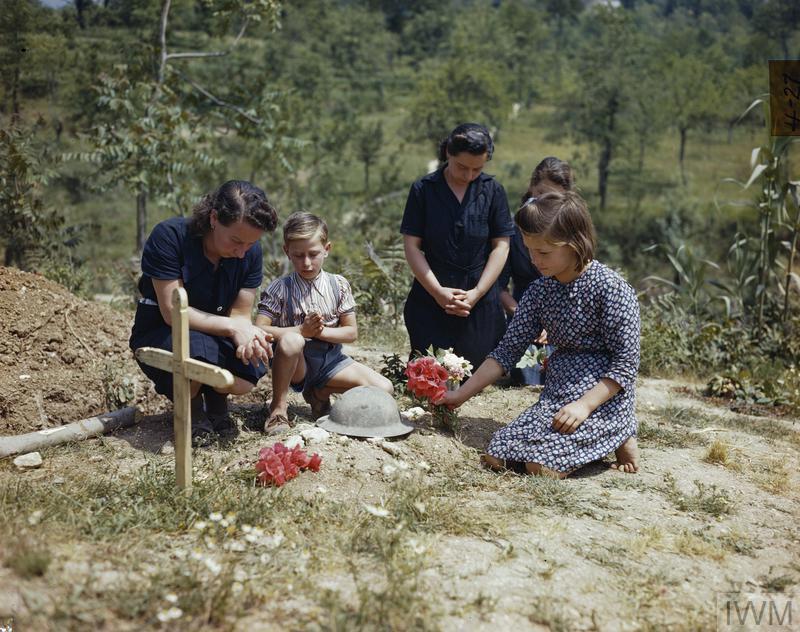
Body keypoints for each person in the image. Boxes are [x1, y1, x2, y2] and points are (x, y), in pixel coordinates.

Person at [437, 191, 640, 477]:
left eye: (543, 252)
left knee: (540, 467)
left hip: (603, 396)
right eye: (529, 249)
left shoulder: (611, 289)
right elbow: (506, 352)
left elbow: (625, 365)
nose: (534, 260)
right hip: (557, 393)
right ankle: (597, 438)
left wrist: (584, 406)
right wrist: (460, 395)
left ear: (575, 244)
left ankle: (621, 430)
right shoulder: (540, 291)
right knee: (498, 456)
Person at [130, 180, 278, 446]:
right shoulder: (170, 236)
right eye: (236, 240)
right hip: (166, 329)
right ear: (213, 218)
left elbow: (241, 313)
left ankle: (216, 398)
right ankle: (193, 407)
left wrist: (245, 338)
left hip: (218, 331)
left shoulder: (250, 252)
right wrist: (234, 329)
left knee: (246, 376)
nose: (242, 251)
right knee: (197, 357)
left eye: (250, 244)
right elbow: (172, 311)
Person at [256, 211, 393, 433]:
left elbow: (351, 333)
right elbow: (260, 328)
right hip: (295, 364)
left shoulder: (338, 285)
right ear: (286, 251)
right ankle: (278, 408)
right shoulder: (280, 288)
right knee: (292, 341)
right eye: (299, 255)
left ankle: (319, 393)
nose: (307, 262)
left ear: (327, 249)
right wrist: (301, 331)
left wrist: (318, 332)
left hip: (330, 362)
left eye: (313, 254)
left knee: (384, 388)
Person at [401, 123, 514, 369]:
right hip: (431, 294)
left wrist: (476, 293)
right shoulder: (424, 190)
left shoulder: (493, 191)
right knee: (430, 368)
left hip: (479, 299)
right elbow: (411, 246)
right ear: (448, 154)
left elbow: (501, 246)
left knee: (474, 371)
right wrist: (438, 292)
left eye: (477, 169)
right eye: (462, 167)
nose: (469, 175)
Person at [497, 157, 575, 385]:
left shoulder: (571, 229)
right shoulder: (513, 227)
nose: (543, 200)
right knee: (525, 376)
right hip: (521, 311)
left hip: (566, 315)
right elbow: (499, 286)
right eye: (540, 193)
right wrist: (525, 317)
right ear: (531, 187)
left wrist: (555, 324)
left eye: (552, 196)